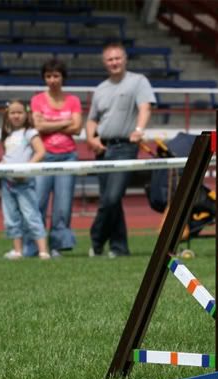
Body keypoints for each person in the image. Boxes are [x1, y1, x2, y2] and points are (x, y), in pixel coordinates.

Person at [86, 42, 156, 257]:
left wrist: (139, 130)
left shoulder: (138, 81)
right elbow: (92, 119)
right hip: (102, 148)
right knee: (110, 200)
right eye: (110, 59)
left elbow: (145, 107)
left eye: (117, 58)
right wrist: (90, 138)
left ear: (125, 59)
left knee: (111, 198)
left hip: (125, 147)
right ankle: (119, 247)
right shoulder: (100, 88)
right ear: (104, 63)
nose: (114, 62)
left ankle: (96, 239)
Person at [27, 59, 83, 258]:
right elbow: (38, 127)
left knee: (63, 205)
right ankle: (35, 246)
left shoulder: (73, 100)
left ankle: (58, 246)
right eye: (48, 76)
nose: (52, 80)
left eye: (56, 75)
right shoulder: (37, 100)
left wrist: (49, 123)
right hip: (44, 156)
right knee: (38, 202)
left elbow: (77, 128)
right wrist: (65, 121)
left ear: (63, 77)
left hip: (68, 157)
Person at [0, 100, 50, 260]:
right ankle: (18, 251)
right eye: (13, 112)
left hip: (24, 183)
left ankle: (43, 251)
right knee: (11, 218)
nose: (16, 116)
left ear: (26, 114)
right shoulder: (8, 136)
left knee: (31, 216)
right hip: (7, 183)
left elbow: (41, 152)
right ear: (7, 115)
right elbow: (7, 157)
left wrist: (26, 168)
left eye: (19, 112)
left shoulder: (30, 133)